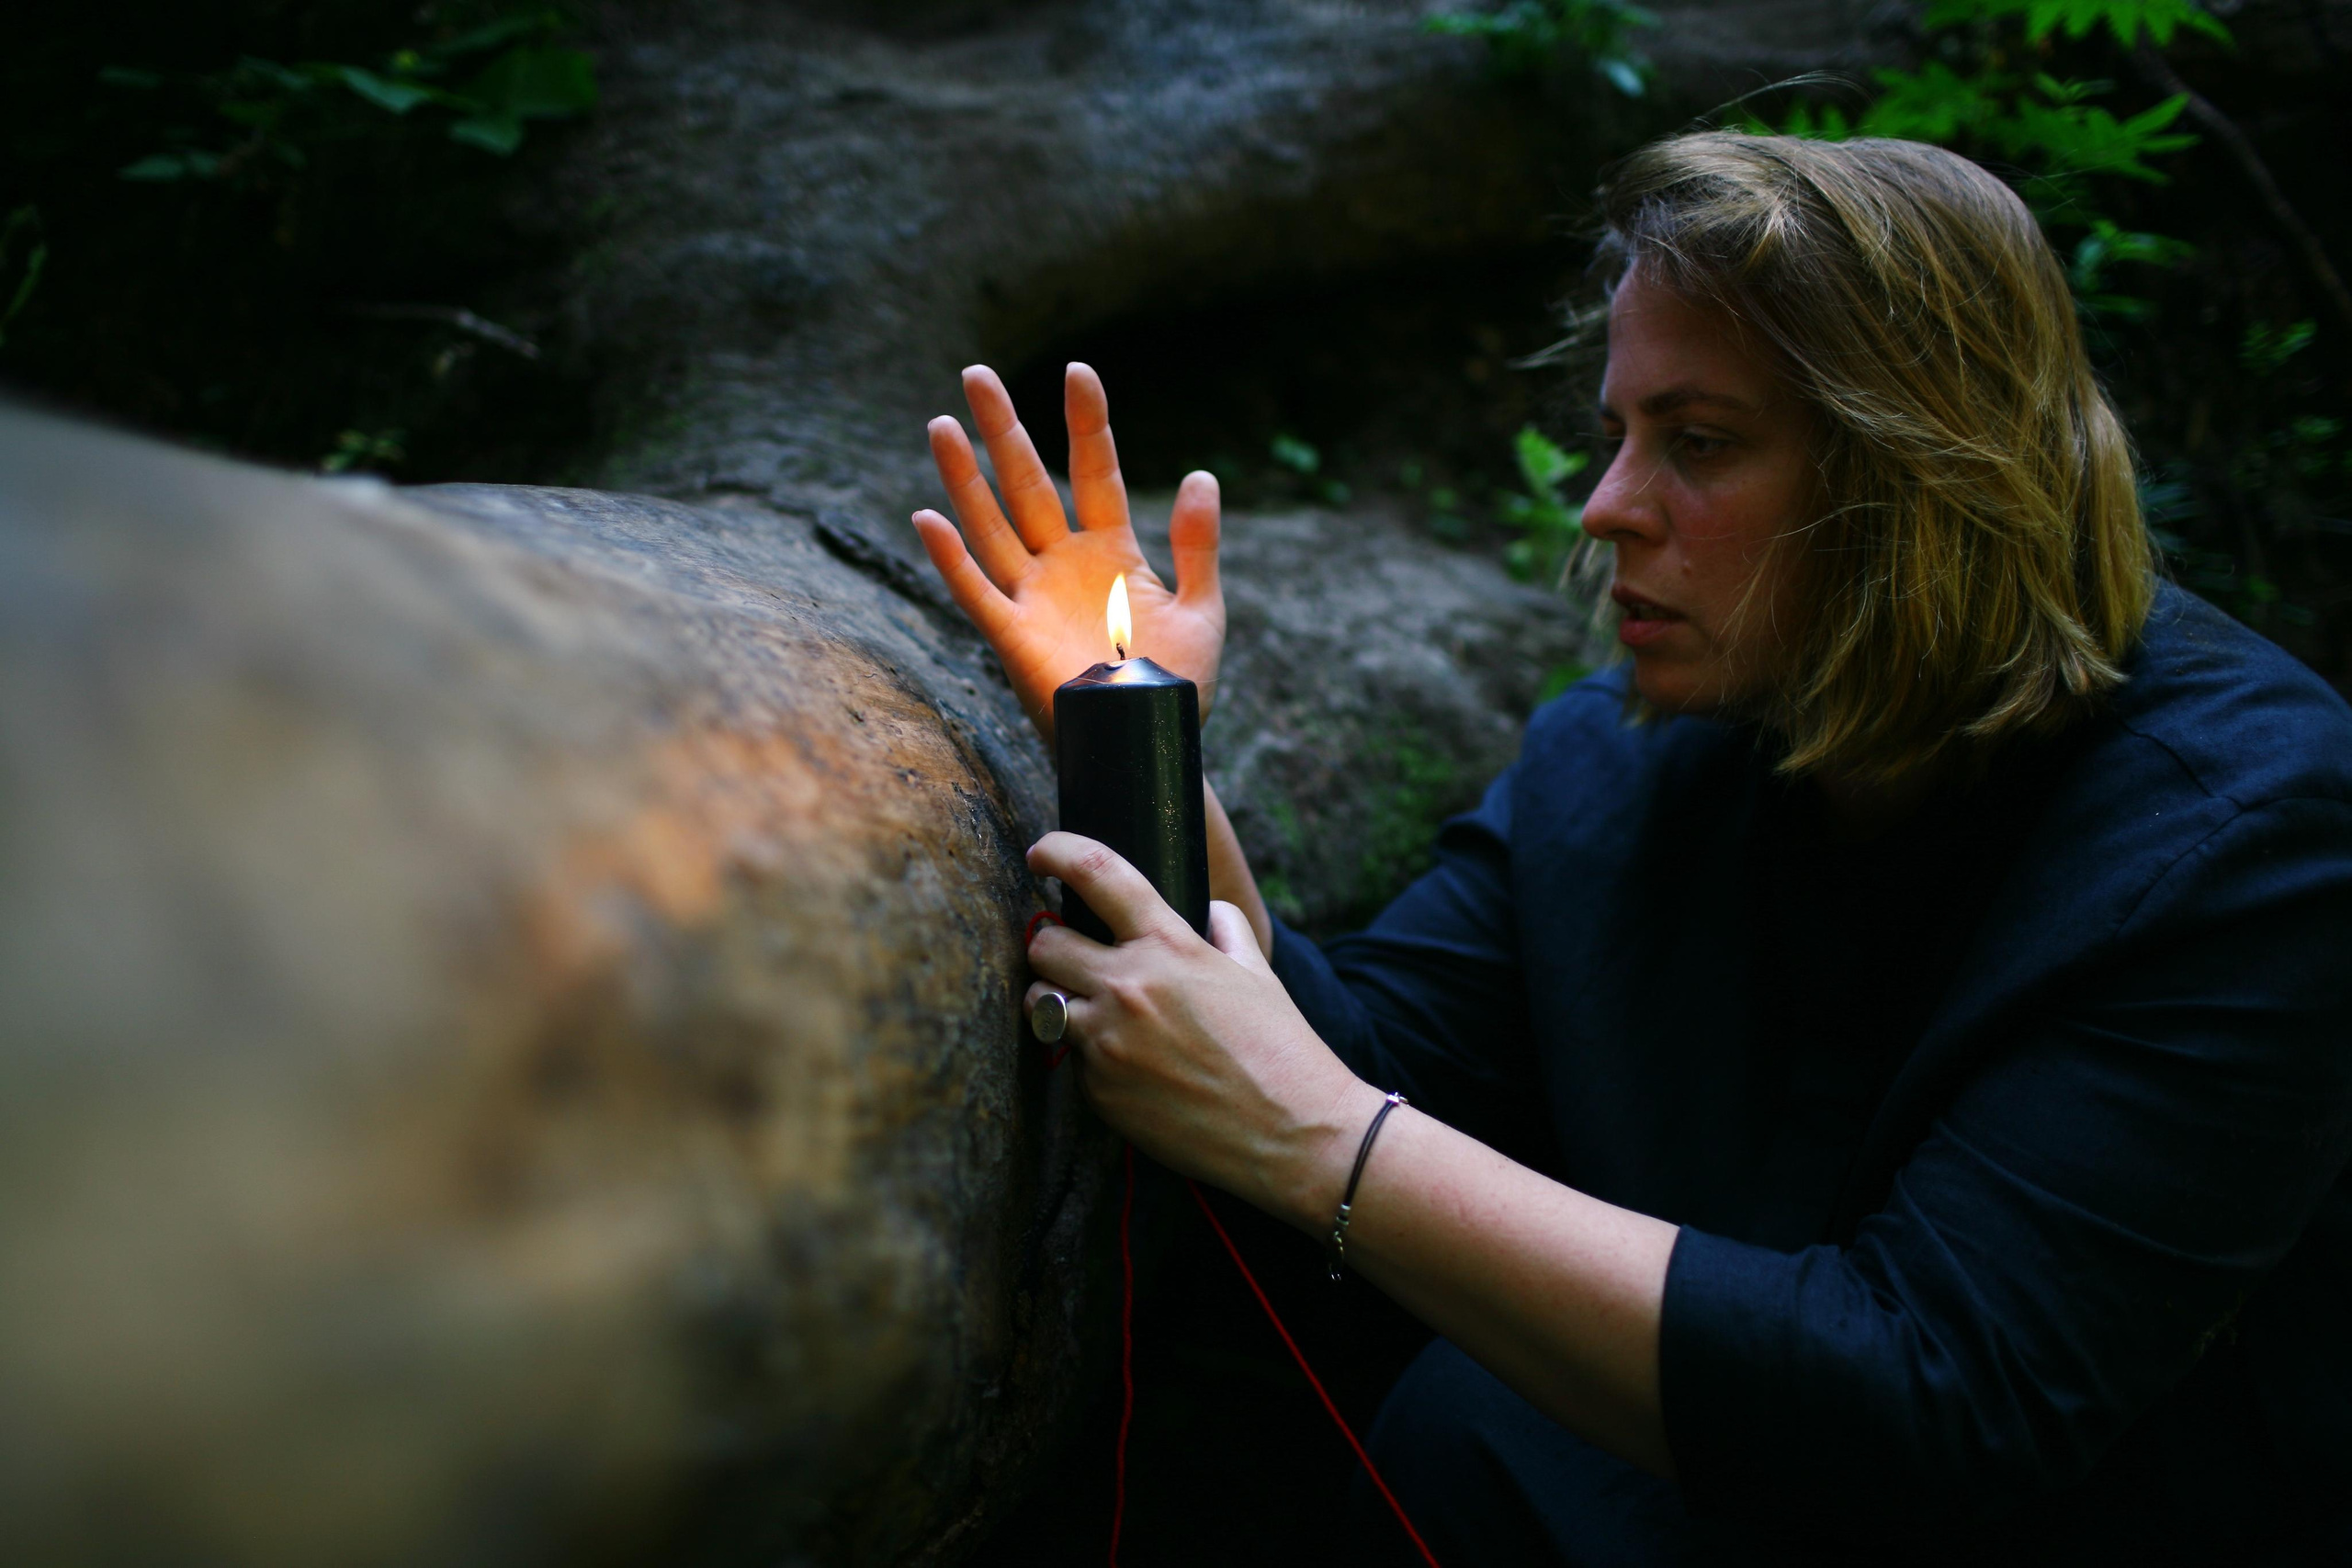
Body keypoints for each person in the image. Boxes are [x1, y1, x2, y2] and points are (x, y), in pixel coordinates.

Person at [910, 132, 2352, 1564]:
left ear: (1924, 476)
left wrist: (1323, 1143)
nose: (1606, 505)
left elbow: (1933, 1400)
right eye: (1617, 436)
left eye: (1700, 442)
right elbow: (1358, 1060)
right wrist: (1141, 742)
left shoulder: (2245, 836)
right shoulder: (1624, 759)